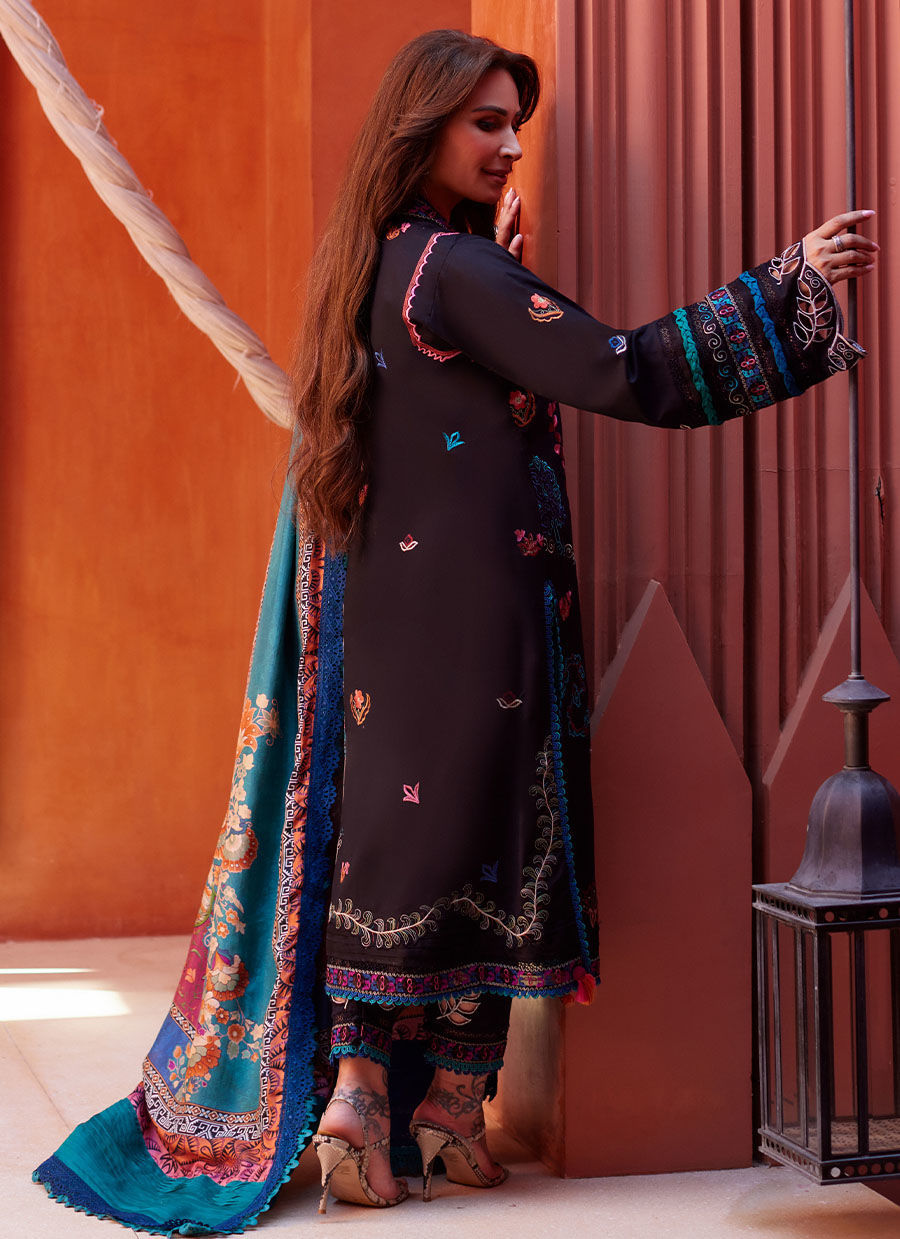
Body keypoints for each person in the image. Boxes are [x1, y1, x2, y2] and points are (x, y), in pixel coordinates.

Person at [33, 28, 878, 1234]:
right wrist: (790, 286)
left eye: (512, 123)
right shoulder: (454, 270)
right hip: (477, 619)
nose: (510, 145)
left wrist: (501, 278)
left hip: (405, 620)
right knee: (471, 846)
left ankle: (431, 1114)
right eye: (486, 122)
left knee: (428, 843)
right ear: (420, 126)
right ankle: (386, 1107)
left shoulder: (386, 264)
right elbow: (627, 369)